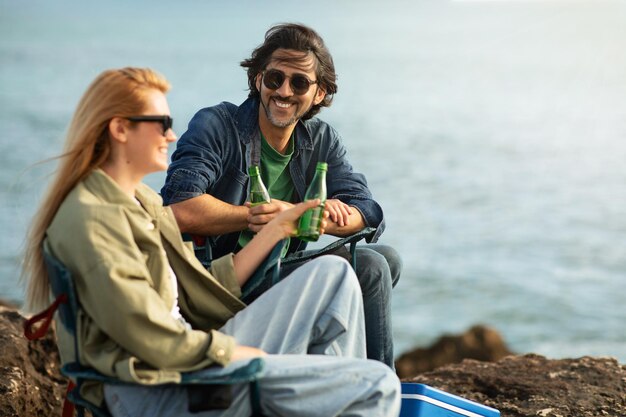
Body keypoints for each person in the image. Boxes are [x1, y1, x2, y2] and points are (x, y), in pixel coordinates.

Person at [22, 67, 401, 417]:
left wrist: (278, 227)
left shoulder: (139, 201)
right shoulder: (94, 219)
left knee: (334, 272)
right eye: (161, 124)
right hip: (161, 386)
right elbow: (151, 339)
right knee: (376, 384)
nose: (171, 135)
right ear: (121, 129)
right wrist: (239, 354)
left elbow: (197, 291)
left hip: (183, 355)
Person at [160, 23, 402, 368]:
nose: (284, 91)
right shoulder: (217, 124)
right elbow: (178, 207)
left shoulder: (321, 140)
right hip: (217, 281)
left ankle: (346, 378)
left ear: (320, 93)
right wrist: (263, 216)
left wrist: (325, 216)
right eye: (275, 79)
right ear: (258, 79)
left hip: (271, 272)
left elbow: (366, 209)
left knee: (388, 257)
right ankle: (379, 390)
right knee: (371, 266)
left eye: (300, 82)